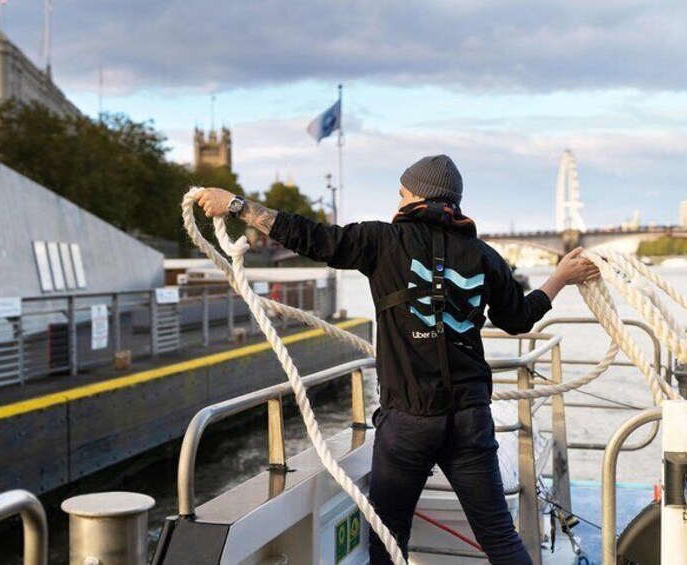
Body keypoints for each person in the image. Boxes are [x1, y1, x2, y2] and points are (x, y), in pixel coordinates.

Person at [197, 154, 599, 564]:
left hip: (408, 421)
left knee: (388, 540)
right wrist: (559, 278)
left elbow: (311, 237)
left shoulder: (382, 241)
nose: (397, 202)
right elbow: (517, 318)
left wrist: (237, 206)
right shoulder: (484, 256)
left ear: (417, 197)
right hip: (471, 418)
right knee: (499, 537)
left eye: (402, 193)